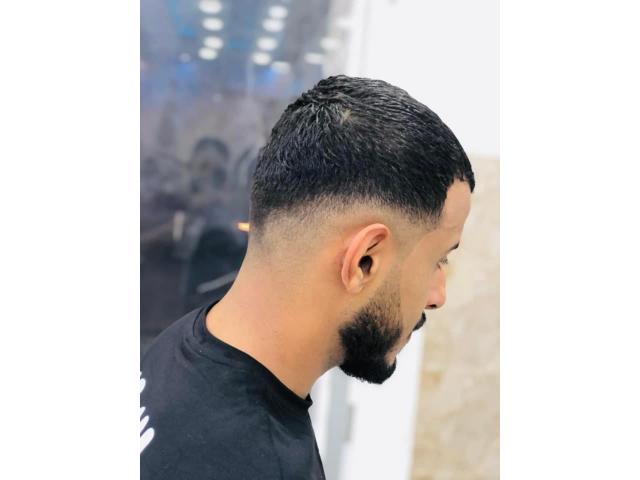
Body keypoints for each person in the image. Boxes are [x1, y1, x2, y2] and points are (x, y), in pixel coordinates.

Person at [140, 75, 475, 479]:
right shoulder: (264, 464)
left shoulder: (181, 345)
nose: (438, 295)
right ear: (364, 261)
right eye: (438, 260)